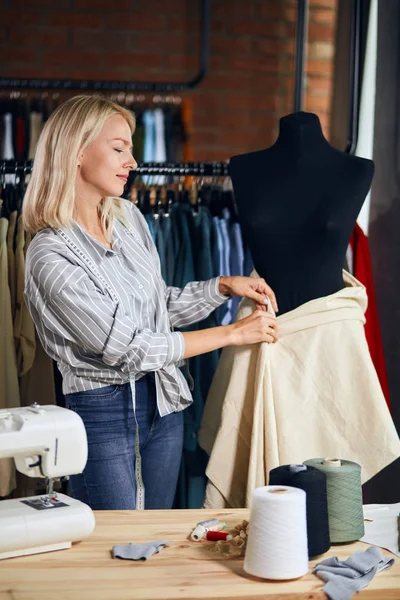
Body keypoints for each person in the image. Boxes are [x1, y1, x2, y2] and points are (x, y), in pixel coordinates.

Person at [22, 95, 278, 511]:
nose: (133, 162)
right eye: (119, 148)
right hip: (103, 414)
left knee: (154, 534)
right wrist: (231, 334)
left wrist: (223, 287)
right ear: (76, 152)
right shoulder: (50, 254)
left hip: (164, 401)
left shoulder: (127, 219)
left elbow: (158, 309)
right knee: (113, 545)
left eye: (131, 149)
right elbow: (130, 346)